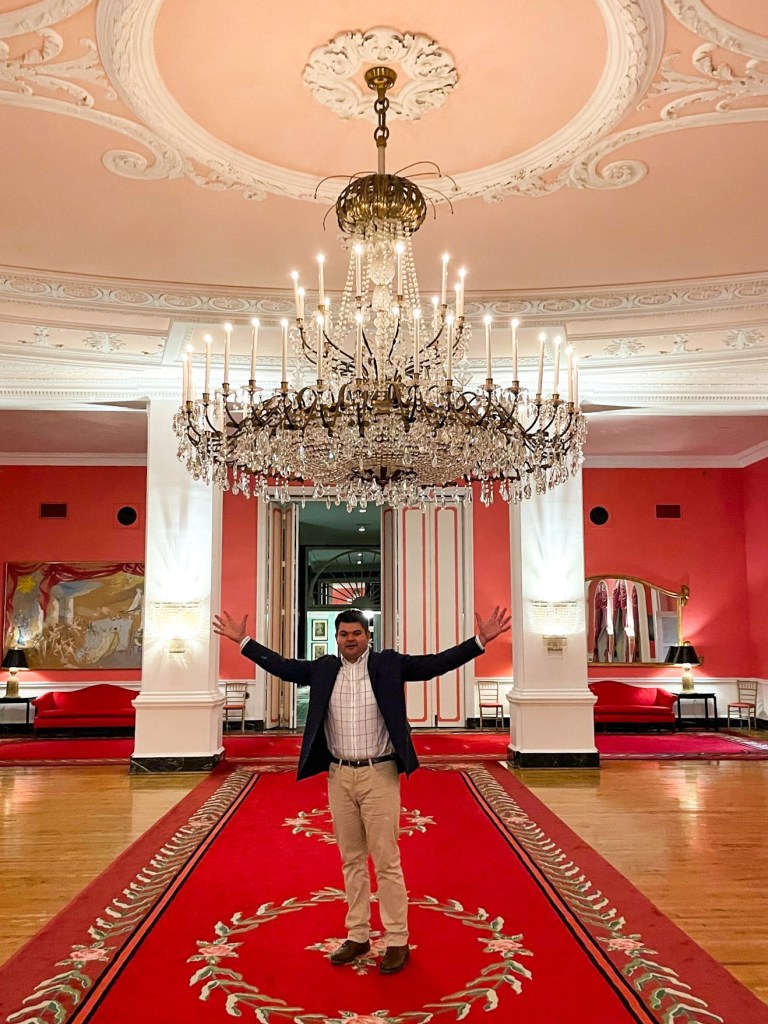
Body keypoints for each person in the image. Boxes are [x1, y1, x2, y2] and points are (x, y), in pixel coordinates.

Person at [213, 604, 511, 976]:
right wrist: (243, 641)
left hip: (379, 774)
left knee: (386, 861)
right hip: (339, 776)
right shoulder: (324, 669)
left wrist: (480, 641)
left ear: (368, 635)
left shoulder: (389, 664)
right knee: (351, 859)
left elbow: (436, 664)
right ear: (336, 638)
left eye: (356, 633)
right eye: (344, 634)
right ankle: (358, 935)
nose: (350, 639)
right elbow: (282, 666)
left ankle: (397, 939)